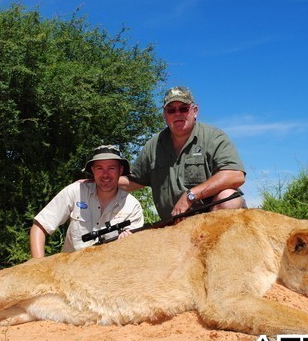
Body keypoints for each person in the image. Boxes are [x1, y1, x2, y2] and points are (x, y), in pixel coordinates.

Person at [120, 86, 246, 220]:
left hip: (210, 222)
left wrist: (191, 195)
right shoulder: (153, 145)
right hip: (174, 225)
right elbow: (133, 181)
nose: (177, 113)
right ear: (165, 114)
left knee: (229, 199)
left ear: (195, 111)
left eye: (183, 108)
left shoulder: (214, 137)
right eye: (171, 110)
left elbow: (235, 175)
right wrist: (99, 178)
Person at [30, 145, 144, 258]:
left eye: (111, 168)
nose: (105, 174)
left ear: (121, 170)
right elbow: (39, 226)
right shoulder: (75, 191)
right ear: (93, 170)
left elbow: (133, 255)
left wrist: (129, 243)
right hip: (70, 269)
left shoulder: (133, 206)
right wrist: (38, 266)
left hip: (111, 271)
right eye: (100, 168)